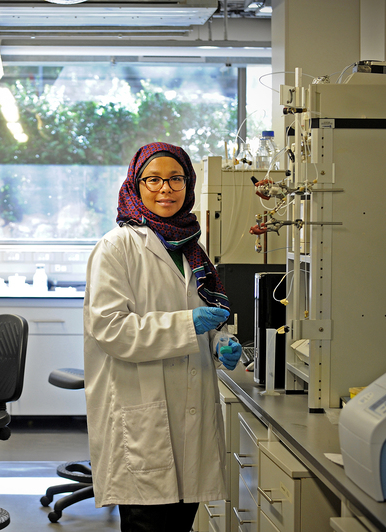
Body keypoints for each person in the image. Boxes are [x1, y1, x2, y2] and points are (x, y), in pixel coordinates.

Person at [83, 142, 242, 531]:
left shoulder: (190, 247)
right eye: (153, 179)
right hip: (142, 416)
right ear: (136, 185)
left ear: (189, 184)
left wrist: (217, 341)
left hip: (188, 412)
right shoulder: (116, 246)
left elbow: (199, 313)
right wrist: (190, 325)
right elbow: (111, 329)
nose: (165, 189)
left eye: (175, 179)